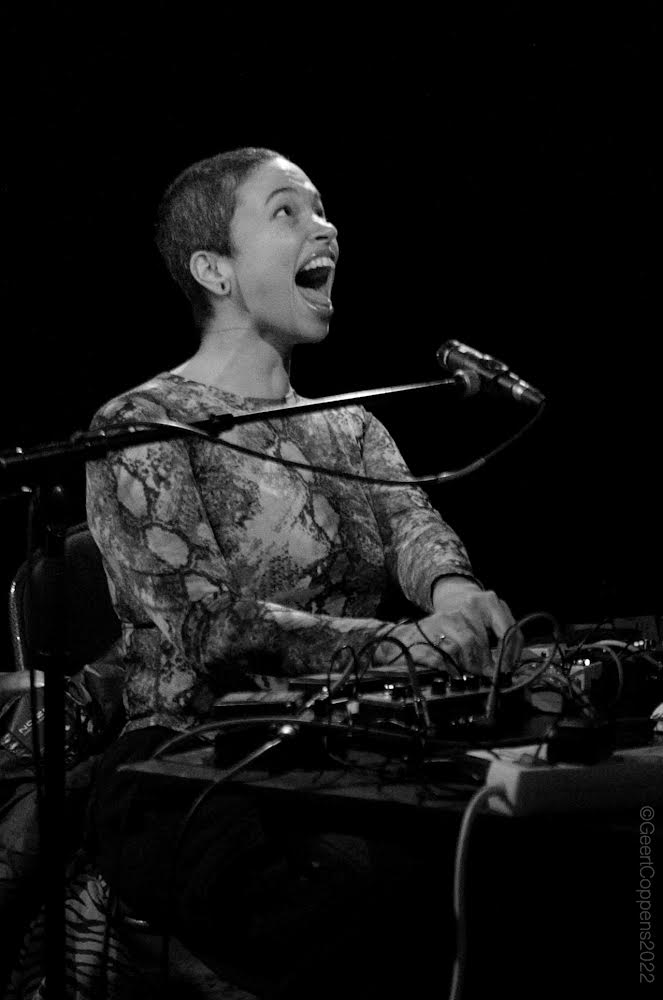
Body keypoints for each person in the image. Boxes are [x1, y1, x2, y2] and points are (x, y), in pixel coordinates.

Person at [84, 146, 519, 997]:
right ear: (214, 268)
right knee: (361, 903)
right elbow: (213, 629)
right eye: (285, 211)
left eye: (319, 210)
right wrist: (409, 647)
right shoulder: (142, 425)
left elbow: (414, 528)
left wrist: (456, 593)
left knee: (509, 858)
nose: (323, 226)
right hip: (187, 761)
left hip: (340, 740)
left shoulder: (349, 426)